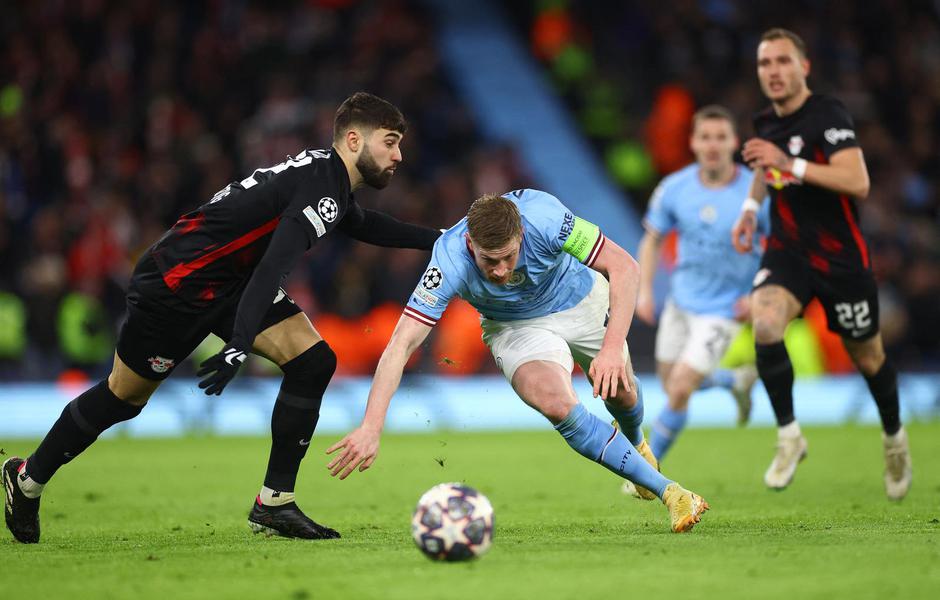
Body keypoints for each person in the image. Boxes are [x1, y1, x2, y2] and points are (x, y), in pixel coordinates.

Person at [3, 92, 442, 543]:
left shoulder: (325, 177)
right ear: (354, 140)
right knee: (123, 398)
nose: (398, 154)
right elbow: (273, 266)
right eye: (389, 142)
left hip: (230, 282)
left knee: (313, 361)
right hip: (176, 283)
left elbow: (361, 223)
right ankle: (27, 478)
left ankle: (275, 502)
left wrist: (441, 239)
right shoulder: (322, 184)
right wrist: (237, 343)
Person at [326, 190, 710, 533]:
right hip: (514, 328)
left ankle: (636, 442)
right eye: (488, 260)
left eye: (507, 257)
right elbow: (401, 344)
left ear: (521, 236)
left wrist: (611, 349)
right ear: (469, 243)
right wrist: (371, 426)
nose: (499, 271)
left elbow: (624, 266)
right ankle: (672, 493)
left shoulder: (545, 217)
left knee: (623, 395)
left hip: (581, 301)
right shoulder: (448, 260)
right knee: (556, 402)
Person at [731, 28, 912, 499]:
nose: (773, 72)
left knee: (868, 357)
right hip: (788, 251)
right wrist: (751, 211)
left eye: (782, 62)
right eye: (765, 63)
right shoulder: (764, 121)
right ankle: (790, 436)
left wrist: (787, 165)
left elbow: (857, 181)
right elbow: (762, 167)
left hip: (840, 260)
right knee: (766, 324)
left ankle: (894, 437)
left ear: (804, 66)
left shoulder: (828, 114)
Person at [634, 105, 767, 468]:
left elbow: (784, 246)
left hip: (725, 308)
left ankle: (646, 469)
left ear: (734, 142)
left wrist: (759, 295)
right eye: (705, 137)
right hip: (681, 302)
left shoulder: (755, 192)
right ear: (692, 142)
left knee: (679, 388)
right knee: (670, 381)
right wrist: (644, 290)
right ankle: (735, 381)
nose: (712, 145)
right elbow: (651, 239)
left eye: (720, 137)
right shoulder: (675, 188)